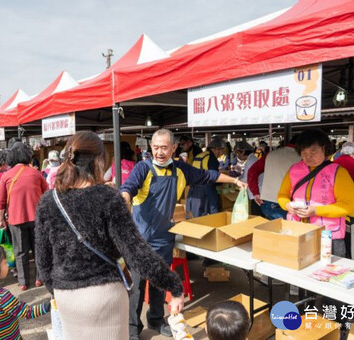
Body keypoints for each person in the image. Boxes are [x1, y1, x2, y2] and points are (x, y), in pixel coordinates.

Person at [35, 131, 184, 340]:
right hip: (105, 296)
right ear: (98, 162)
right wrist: (174, 286)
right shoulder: (108, 198)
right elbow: (136, 252)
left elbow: (42, 259)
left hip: (65, 296)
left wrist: (58, 288)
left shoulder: (48, 201)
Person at [120, 129, 246, 339]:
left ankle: (156, 319)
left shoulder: (181, 170)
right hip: (139, 240)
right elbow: (129, 187)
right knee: (137, 289)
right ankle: (133, 330)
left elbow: (209, 175)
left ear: (173, 148)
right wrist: (123, 198)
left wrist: (234, 181)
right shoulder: (144, 168)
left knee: (161, 282)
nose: (160, 152)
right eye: (156, 147)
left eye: (164, 147)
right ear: (151, 147)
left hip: (163, 237)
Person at [278, 129, 354, 257]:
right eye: (304, 153)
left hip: (328, 235)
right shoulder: (294, 169)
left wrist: (315, 211)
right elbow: (282, 195)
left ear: (324, 149)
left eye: (313, 151)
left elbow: (349, 205)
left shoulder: (338, 172)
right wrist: (287, 205)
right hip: (297, 230)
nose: (308, 157)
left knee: (328, 272)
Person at [0, 142, 47, 290]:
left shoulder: (6, 176)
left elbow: (0, 201)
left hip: (15, 219)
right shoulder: (36, 173)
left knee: (20, 251)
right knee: (38, 249)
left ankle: (23, 282)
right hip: (37, 218)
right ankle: (40, 278)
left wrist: (1, 220)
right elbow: (47, 193)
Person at [248, 136, 300, 220]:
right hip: (290, 203)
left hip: (267, 201)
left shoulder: (270, 155)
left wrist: (255, 192)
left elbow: (252, 171)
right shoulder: (302, 157)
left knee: (273, 230)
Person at [187, 137, 225, 217]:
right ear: (215, 149)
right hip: (206, 186)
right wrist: (222, 182)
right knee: (213, 207)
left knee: (197, 210)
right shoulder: (211, 158)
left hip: (194, 186)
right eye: (221, 150)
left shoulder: (200, 155)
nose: (221, 154)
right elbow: (214, 176)